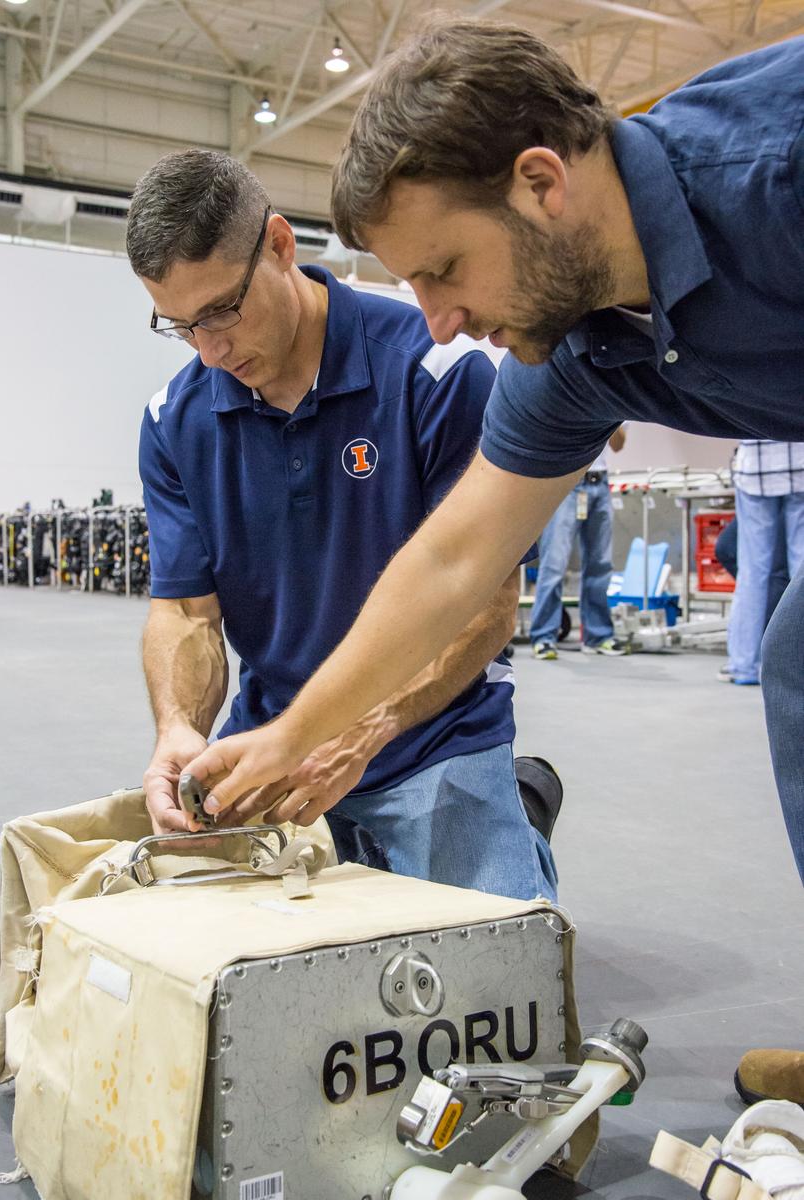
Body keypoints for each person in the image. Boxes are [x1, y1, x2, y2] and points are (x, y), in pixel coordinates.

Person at [182, 23, 803, 1100]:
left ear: (540, 183)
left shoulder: (774, 170)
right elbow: (452, 561)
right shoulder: (572, 350)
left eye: (443, 270)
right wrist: (293, 733)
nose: (438, 322)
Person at [126, 149, 557, 902]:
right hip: (269, 743)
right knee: (203, 954)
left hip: (428, 736)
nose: (211, 350)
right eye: (182, 325)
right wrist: (179, 728)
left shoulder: (437, 374)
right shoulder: (174, 421)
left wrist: (359, 732)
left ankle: (512, 806)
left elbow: (486, 608)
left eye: (222, 310)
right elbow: (186, 613)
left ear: (279, 246)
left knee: (491, 958)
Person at [530, 426, 627, 659]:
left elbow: (618, 445)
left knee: (600, 565)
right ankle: (543, 637)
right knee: (554, 564)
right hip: (566, 481)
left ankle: (598, 636)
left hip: (600, 483)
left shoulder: (615, 403)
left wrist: (612, 412)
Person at [720, 440, 804, 685]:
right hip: (801, 465)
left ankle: (744, 664)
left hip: (755, 468)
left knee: (751, 573)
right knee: (801, 570)